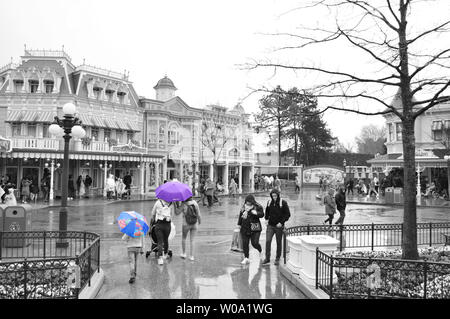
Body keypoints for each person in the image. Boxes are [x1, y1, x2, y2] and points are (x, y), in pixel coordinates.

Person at [262, 188, 291, 266]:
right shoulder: (269, 202)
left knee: (278, 242)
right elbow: (267, 212)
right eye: (272, 196)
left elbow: (287, 214)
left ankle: (277, 258)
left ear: (278, 195)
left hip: (279, 226)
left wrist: (281, 223)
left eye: (275, 196)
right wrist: (266, 219)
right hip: (270, 226)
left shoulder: (283, 203)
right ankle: (267, 258)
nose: (274, 197)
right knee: (268, 241)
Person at [237, 194, 264, 265]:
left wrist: (256, 213)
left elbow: (262, 214)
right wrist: (239, 225)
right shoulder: (243, 207)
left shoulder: (257, 206)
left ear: (252, 201)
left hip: (255, 228)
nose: (248, 203)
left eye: (249, 202)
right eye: (247, 202)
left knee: (254, 243)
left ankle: (260, 250)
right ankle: (246, 258)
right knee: (245, 243)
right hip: (245, 227)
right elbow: (240, 216)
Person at [150, 198, 174, 265]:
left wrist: (152, 222)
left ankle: (160, 258)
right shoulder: (171, 203)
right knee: (166, 240)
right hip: (167, 224)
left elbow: (153, 214)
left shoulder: (158, 202)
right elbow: (172, 215)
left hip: (159, 224)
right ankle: (165, 254)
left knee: (159, 241)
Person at [179, 197, 201, 261]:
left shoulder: (183, 204)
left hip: (186, 224)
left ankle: (184, 253)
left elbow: (177, 212)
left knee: (184, 238)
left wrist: (175, 205)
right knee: (192, 240)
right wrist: (199, 221)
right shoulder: (195, 203)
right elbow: (199, 214)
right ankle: (191, 256)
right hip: (194, 223)